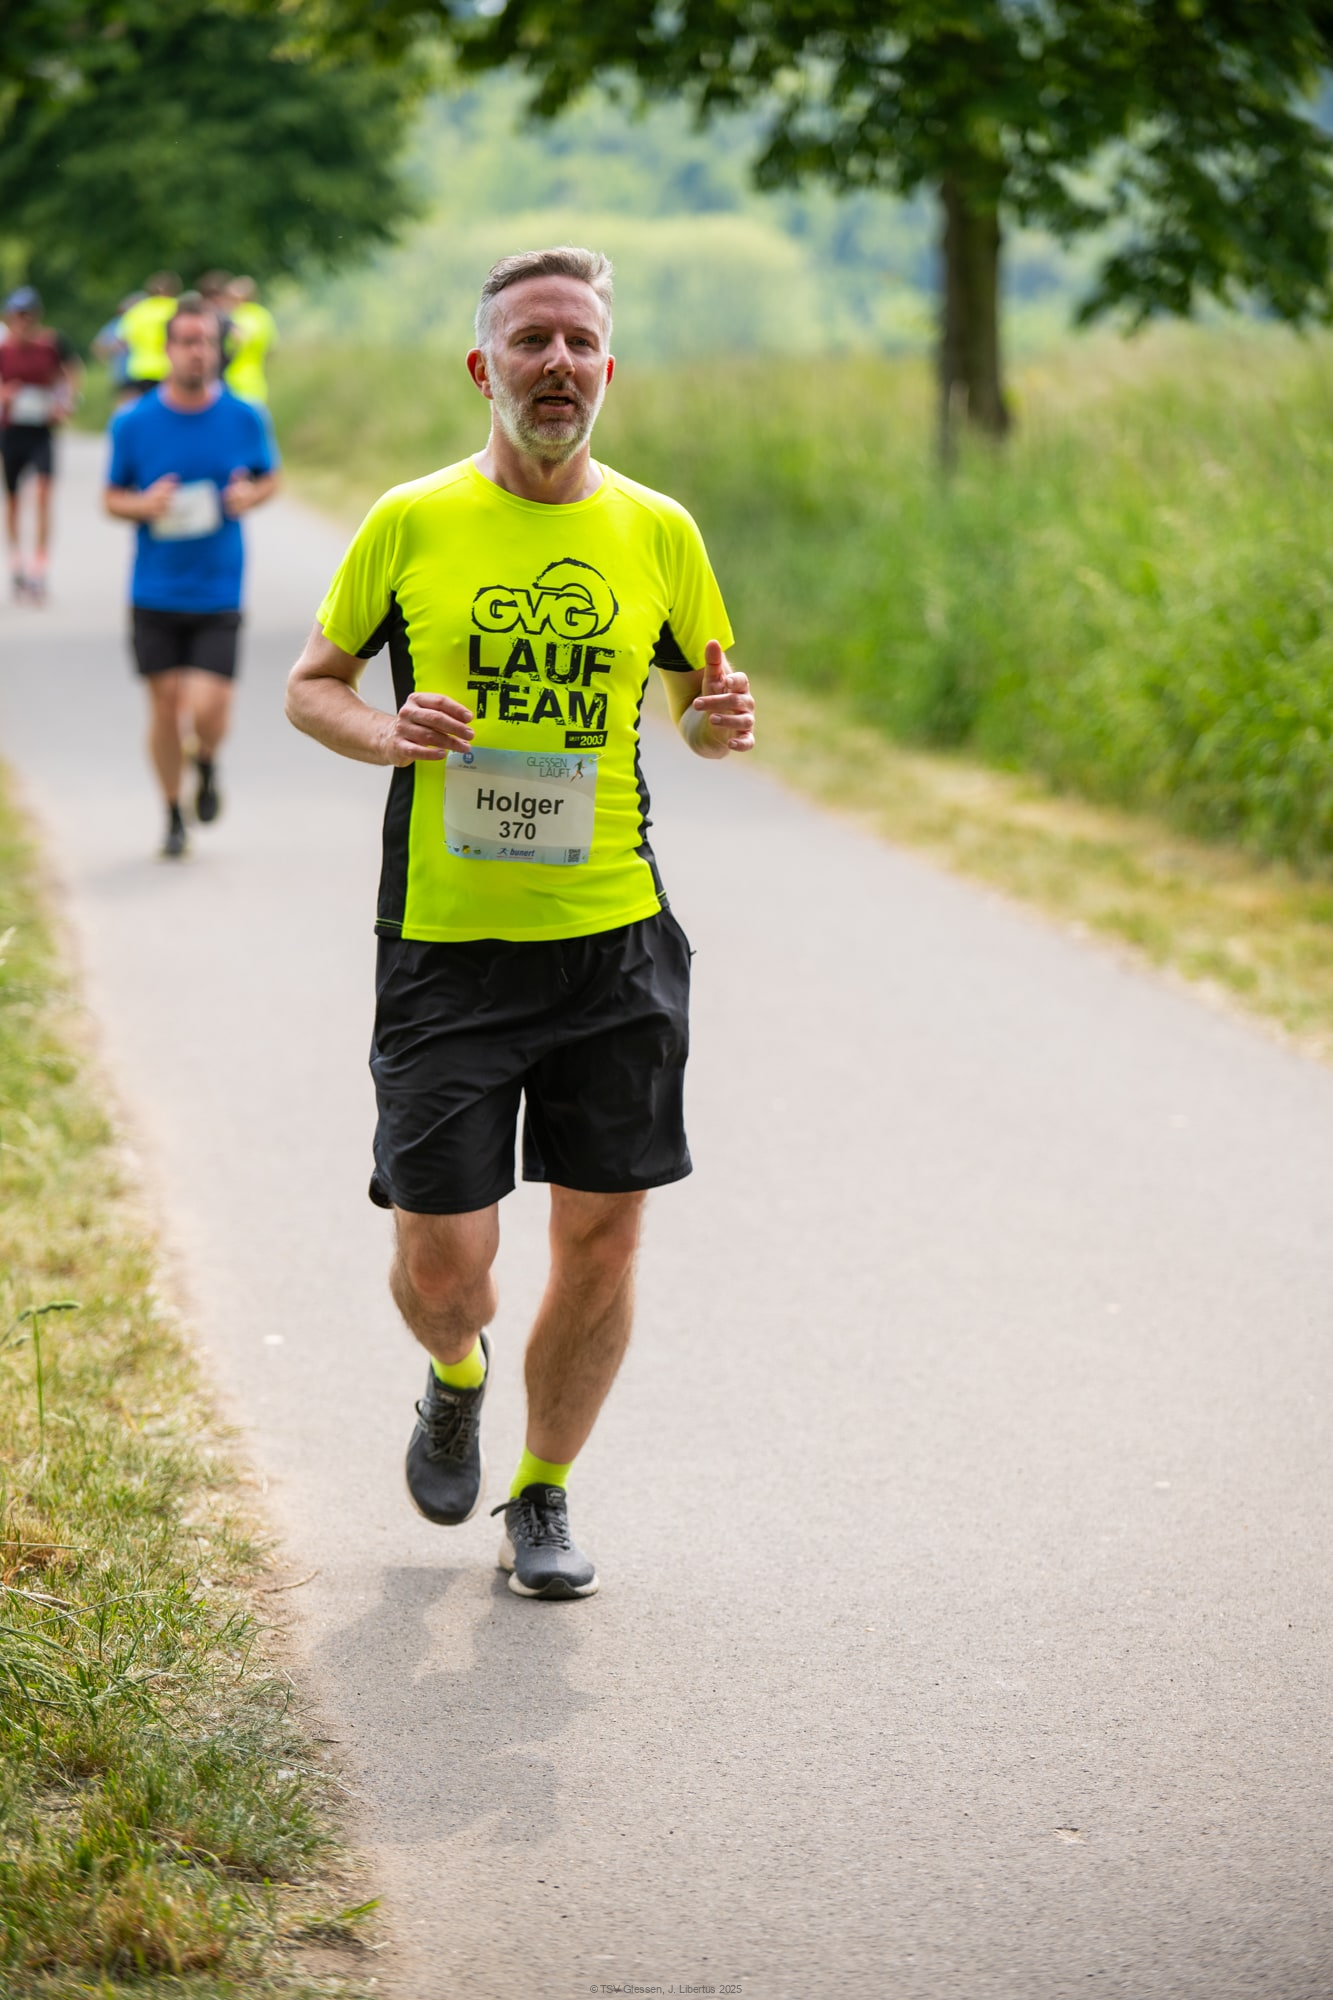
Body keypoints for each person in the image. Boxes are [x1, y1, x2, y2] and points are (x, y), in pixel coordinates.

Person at [285, 246, 755, 1600]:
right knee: (445, 1265)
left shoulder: (659, 531)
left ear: (609, 369)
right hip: (447, 950)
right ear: (482, 368)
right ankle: (455, 1375)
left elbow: (700, 703)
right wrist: (385, 731)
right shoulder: (411, 522)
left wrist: (718, 726)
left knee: (602, 1240)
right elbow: (314, 684)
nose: (557, 364)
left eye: (579, 342)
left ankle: (541, 1493)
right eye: (531, 341)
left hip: (615, 943)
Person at [105, 293, 279, 858]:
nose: (196, 352)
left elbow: (270, 478)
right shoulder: (134, 422)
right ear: (167, 349)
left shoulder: (245, 416)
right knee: (164, 707)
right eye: (186, 342)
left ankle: (205, 762)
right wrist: (144, 505)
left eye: (205, 341)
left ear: (217, 349)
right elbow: (111, 497)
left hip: (218, 588)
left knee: (208, 709)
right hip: (154, 589)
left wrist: (249, 496)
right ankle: (171, 814)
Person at [0, 287, 81, 603]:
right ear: (10, 317)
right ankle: (17, 564)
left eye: (29, 315)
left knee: (44, 495)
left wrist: (66, 402)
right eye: (18, 315)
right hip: (11, 430)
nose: (24, 321)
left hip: (41, 430)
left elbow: (71, 372)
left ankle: (40, 567)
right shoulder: (3, 348)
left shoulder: (51, 343)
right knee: (14, 500)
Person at [117, 273, 182, 402]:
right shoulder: (177, 308)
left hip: (140, 369)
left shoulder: (137, 310)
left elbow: (123, 340)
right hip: (169, 368)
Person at [224, 277, 278, 407]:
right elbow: (271, 349)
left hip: (234, 382)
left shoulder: (239, 315)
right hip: (256, 381)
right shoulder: (263, 315)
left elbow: (238, 340)